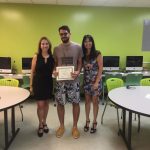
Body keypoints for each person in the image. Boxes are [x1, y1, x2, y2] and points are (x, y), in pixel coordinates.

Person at [53, 25, 82, 139]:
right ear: (59, 35)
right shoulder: (56, 49)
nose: (63, 36)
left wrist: (78, 71)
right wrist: (54, 71)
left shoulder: (78, 47)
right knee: (60, 103)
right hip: (61, 82)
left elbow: (80, 62)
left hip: (73, 81)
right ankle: (61, 126)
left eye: (65, 33)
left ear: (70, 33)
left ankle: (75, 127)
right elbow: (55, 63)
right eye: (61, 34)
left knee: (76, 103)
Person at [30, 36, 54, 137]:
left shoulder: (52, 57)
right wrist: (31, 85)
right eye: (43, 43)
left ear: (49, 45)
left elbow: (53, 71)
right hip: (38, 83)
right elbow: (32, 71)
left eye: (46, 43)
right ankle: (40, 124)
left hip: (48, 83)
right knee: (40, 105)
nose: (44, 45)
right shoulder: (36, 56)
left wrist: (56, 73)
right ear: (40, 45)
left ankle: (44, 122)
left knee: (46, 104)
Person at [82, 34, 103, 133]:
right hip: (86, 82)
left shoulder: (97, 53)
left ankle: (94, 122)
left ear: (92, 42)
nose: (87, 43)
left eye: (89, 41)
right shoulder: (83, 54)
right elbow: (81, 67)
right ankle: (87, 120)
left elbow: (100, 69)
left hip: (95, 82)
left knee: (95, 102)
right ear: (83, 43)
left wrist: (96, 83)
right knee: (87, 102)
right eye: (85, 41)